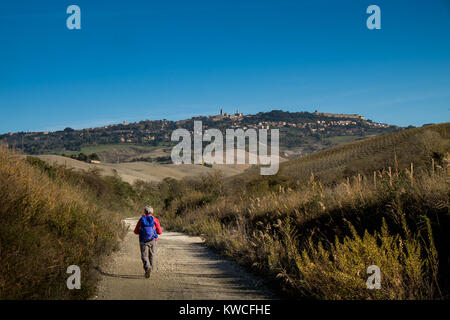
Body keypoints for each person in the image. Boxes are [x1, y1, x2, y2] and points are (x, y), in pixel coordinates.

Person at [134, 205, 163, 278]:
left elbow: (136, 231)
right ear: (152, 212)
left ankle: (147, 267)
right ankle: (151, 267)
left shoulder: (141, 219)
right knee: (152, 254)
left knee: (144, 255)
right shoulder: (155, 219)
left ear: (145, 211)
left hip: (143, 240)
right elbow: (159, 232)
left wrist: (142, 232)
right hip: (153, 240)